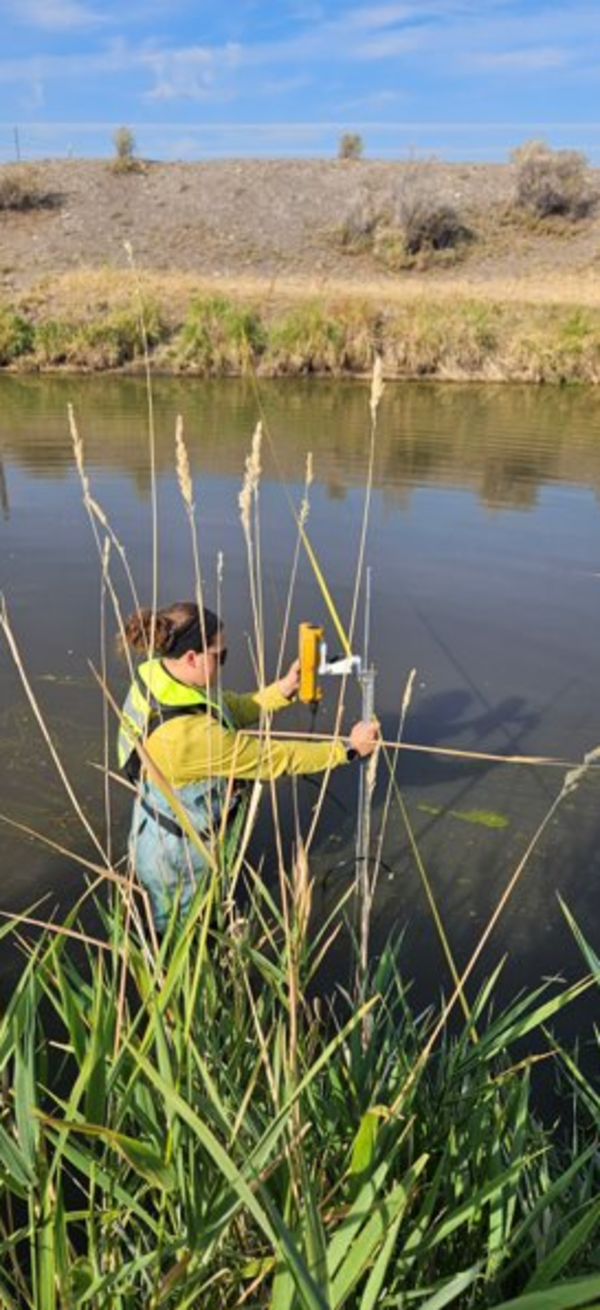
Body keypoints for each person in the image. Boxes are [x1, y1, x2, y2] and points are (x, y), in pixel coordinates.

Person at [118, 600, 379, 932]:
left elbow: (228, 709)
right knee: (182, 936)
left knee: (190, 923)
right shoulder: (186, 737)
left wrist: (283, 690)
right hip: (177, 857)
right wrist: (349, 749)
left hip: (159, 824)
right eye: (220, 656)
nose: (224, 664)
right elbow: (275, 758)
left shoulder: (163, 678)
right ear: (191, 657)